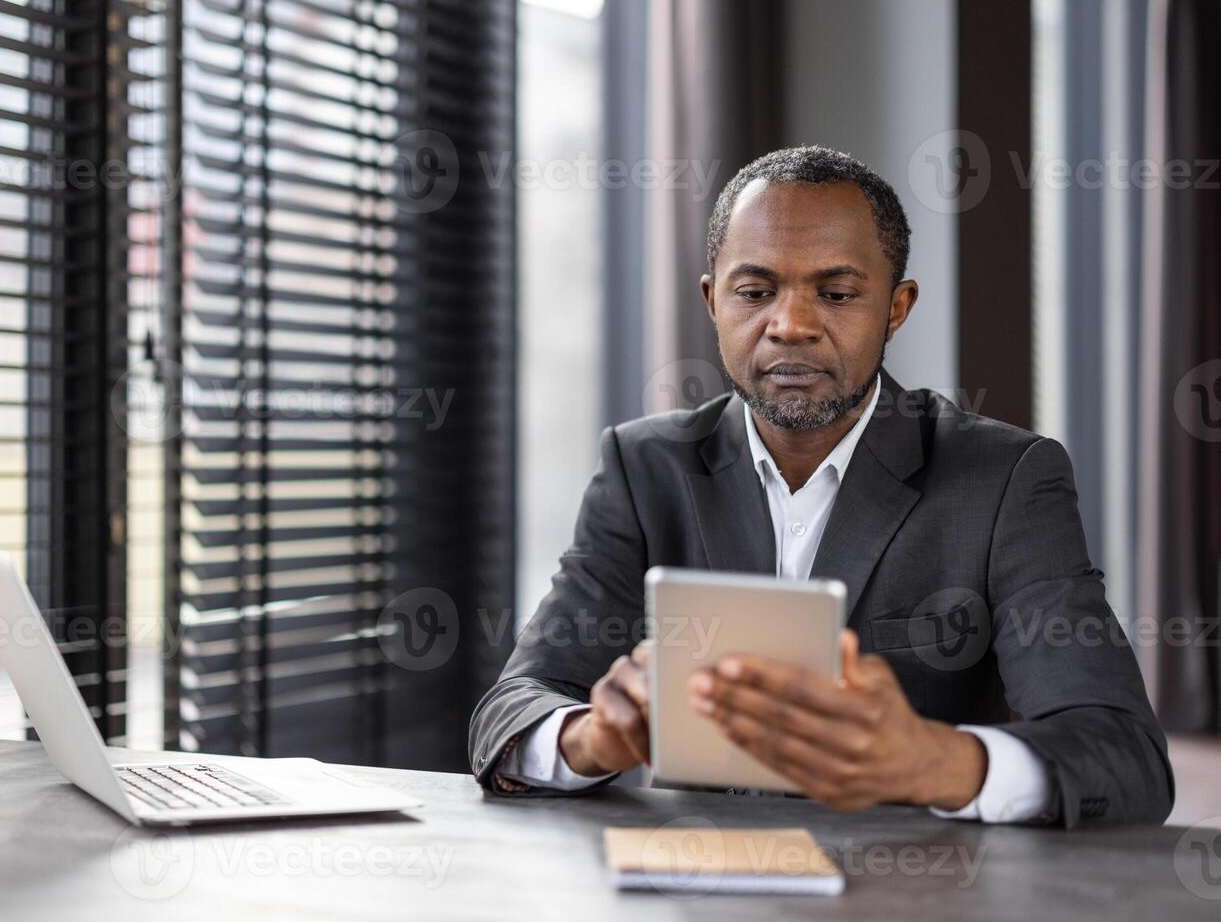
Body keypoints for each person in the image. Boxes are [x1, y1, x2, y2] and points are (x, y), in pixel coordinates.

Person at [468, 146, 1173, 827]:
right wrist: (592, 740)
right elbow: (511, 708)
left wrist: (931, 762)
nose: (791, 326)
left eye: (835, 294)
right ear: (713, 302)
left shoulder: (1004, 480)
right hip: (696, 888)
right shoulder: (644, 465)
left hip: (911, 900)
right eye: (754, 292)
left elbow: (1124, 757)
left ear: (895, 309)